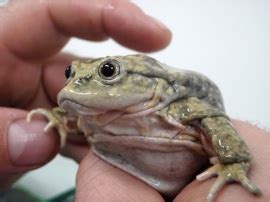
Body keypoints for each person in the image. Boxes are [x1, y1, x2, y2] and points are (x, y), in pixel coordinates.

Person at [0, 1, 268, 201]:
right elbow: (72, 115)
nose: (73, 83)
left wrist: (233, 160)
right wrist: (57, 117)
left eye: (107, 72)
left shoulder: (177, 106)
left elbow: (213, 117)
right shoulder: (88, 114)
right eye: (70, 74)